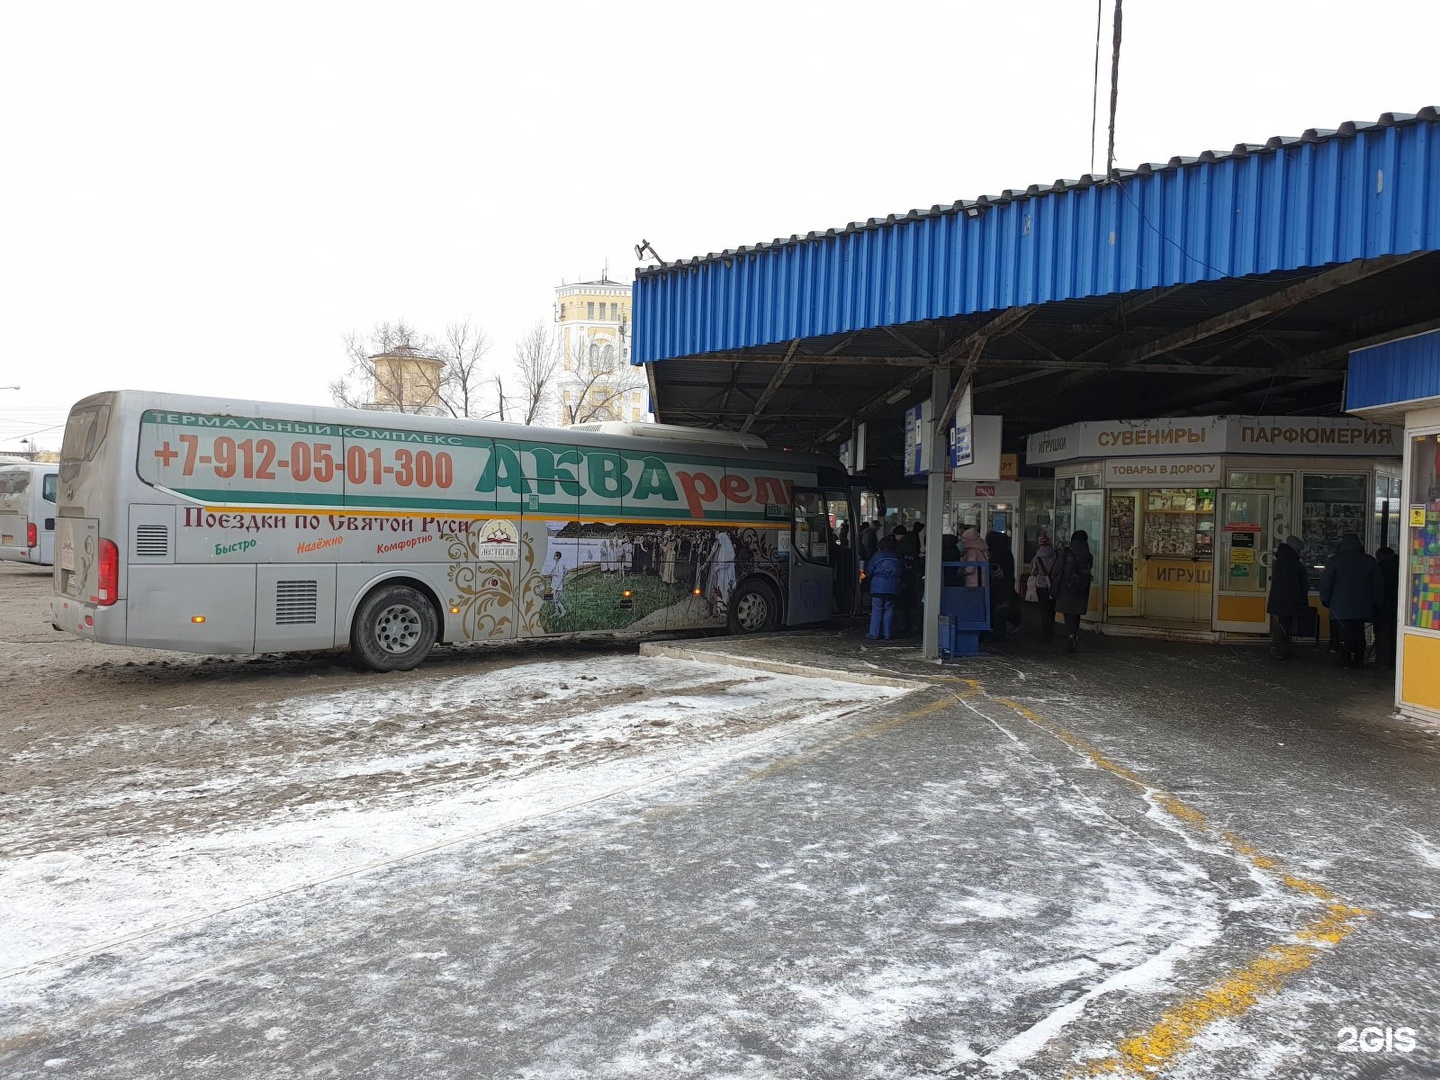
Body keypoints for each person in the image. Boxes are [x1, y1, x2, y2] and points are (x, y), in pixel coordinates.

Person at [1319, 533, 1383, 669]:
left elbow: (1327, 583)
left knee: (1344, 634)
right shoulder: (1369, 561)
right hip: (1363, 605)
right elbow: (1377, 584)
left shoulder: (1335, 561)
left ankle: (1345, 661)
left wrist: (1325, 600)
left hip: (1340, 605)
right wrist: (1377, 602)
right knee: (1359, 631)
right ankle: (1359, 659)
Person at [1265, 534, 1310, 660]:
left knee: (1285, 624)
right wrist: (1298, 599)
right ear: (1296, 549)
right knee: (1284, 624)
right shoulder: (1289, 561)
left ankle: (1283, 648)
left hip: (1283, 599)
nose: (1301, 553)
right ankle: (1277, 648)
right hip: (1286, 600)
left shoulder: (1285, 558)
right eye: (1300, 550)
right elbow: (1292, 582)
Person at [1052, 530, 1094, 653]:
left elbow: (1056, 570)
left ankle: (1071, 636)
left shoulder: (1067, 552)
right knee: (1076, 612)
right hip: (1083, 586)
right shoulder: (1088, 555)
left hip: (1068, 587)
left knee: (1068, 612)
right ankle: (1074, 634)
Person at [865, 537, 903, 640]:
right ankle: (887, 634)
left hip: (878, 587)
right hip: (893, 587)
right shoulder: (896, 557)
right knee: (889, 609)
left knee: (877, 609)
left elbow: (870, 569)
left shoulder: (877, 555)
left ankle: (874, 633)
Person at [985, 529, 1016, 641]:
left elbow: (995, 571)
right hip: (1006, 585)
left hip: (999, 587)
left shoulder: (997, 554)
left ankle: (999, 634)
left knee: (998, 611)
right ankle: (1001, 633)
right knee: (1001, 610)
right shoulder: (1007, 553)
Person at [1027, 533, 1059, 641]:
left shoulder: (1037, 556)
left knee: (1044, 609)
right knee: (1052, 608)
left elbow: (1033, 571)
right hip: (1054, 584)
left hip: (1041, 585)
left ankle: (1047, 632)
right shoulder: (1056, 554)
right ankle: (1051, 628)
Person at [1375, 545, 1400, 669]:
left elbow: (1377, 587)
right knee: (1395, 633)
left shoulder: (1381, 568)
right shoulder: (1400, 565)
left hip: (1384, 605)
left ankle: (1383, 661)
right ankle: (1395, 660)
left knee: (1383, 633)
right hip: (1398, 606)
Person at [547, 551, 568, 618]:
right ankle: (556, 612)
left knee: (557, 600)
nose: (553, 556)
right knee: (554, 599)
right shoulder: (556, 563)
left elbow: (560, 577)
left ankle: (563, 611)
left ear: (558, 557)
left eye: (555, 555)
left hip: (557, 587)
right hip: (554, 586)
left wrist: (555, 588)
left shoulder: (559, 564)